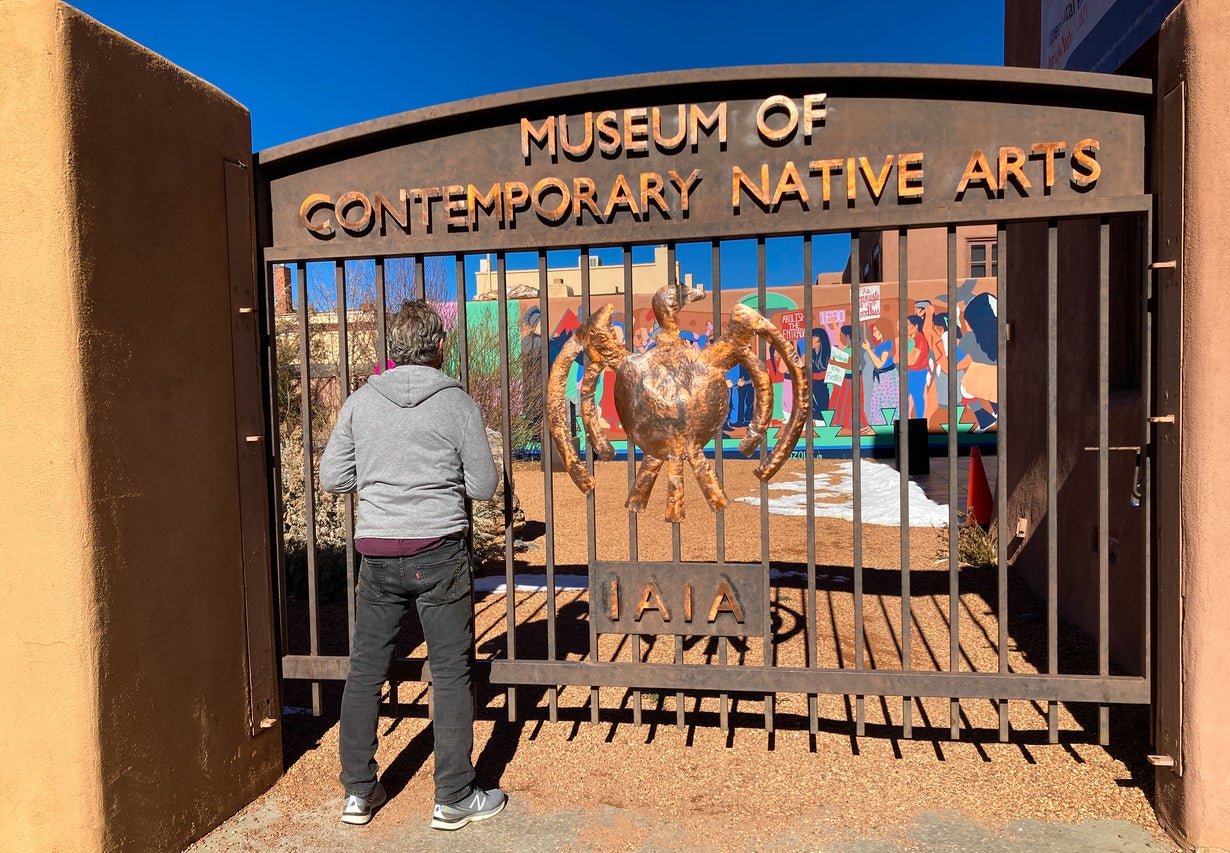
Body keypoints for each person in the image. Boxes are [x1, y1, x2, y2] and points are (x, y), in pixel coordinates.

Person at [320, 300, 505, 831]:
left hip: (377, 551)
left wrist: (381, 481)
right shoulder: (457, 405)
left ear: (393, 348)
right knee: (450, 673)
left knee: (364, 672)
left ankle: (358, 793)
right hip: (439, 551)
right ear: (438, 346)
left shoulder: (360, 404)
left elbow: (333, 477)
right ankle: (453, 797)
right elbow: (484, 487)